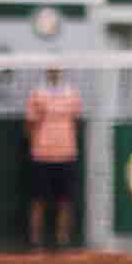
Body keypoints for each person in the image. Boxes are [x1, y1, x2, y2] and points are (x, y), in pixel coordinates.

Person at [26, 67, 83, 252]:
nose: (54, 74)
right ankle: (35, 241)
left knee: (66, 200)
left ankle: (63, 239)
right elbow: (30, 124)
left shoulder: (73, 94)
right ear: (46, 73)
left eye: (57, 71)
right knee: (37, 199)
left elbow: (75, 120)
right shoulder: (37, 94)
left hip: (67, 154)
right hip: (41, 155)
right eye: (51, 71)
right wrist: (37, 145)